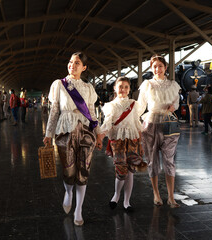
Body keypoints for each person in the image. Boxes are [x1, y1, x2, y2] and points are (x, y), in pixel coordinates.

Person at [43, 52, 98, 226]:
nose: (72, 65)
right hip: (64, 130)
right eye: (70, 62)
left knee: (83, 171)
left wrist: (99, 132)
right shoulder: (59, 85)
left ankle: (79, 210)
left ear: (84, 67)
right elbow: (54, 111)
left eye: (77, 63)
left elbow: (92, 112)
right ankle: (68, 193)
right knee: (69, 170)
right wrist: (48, 134)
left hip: (86, 132)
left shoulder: (89, 88)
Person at [138, 55, 181, 208]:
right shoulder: (147, 84)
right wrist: (133, 123)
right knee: (152, 160)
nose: (157, 69)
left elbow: (176, 101)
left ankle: (171, 197)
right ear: (151, 68)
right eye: (154, 66)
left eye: (160, 66)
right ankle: (156, 194)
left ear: (165, 67)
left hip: (169, 124)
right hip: (150, 123)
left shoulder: (173, 84)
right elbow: (140, 106)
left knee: (169, 160)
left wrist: (173, 107)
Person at [96, 77, 144, 212]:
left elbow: (137, 123)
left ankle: (127, 202)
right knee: (121, 169)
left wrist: (141, 143)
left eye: (126, 87)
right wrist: (100, 137)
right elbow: (107, 124)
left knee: (131, 171)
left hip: (133, 139)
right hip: (117, 140)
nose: (123, 89)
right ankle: (116, 195)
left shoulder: (134, 104)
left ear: (129, 89)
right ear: (115, 88)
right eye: (120, 86)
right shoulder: (110, 106)